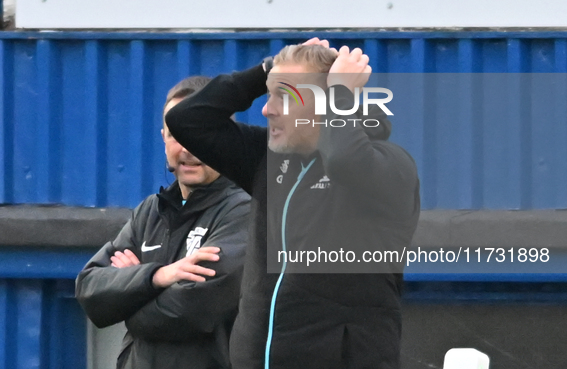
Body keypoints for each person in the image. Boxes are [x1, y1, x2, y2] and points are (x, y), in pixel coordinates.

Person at [165, 40, 420, 369]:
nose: (267, 109)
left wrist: (340, 90)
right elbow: (187, 119)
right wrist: (265, 72)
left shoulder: (390, 165)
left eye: (283, 97)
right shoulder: (266, 159)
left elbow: (343, 158)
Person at [75, 76, 251, 369]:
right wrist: (156, 277)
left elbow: (188, 311)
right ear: (163, 137)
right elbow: (89, 290)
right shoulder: (150, 211)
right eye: (176, 134)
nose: (188, 148)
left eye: (201, 133)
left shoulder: (245, 210)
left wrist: (128, 299)